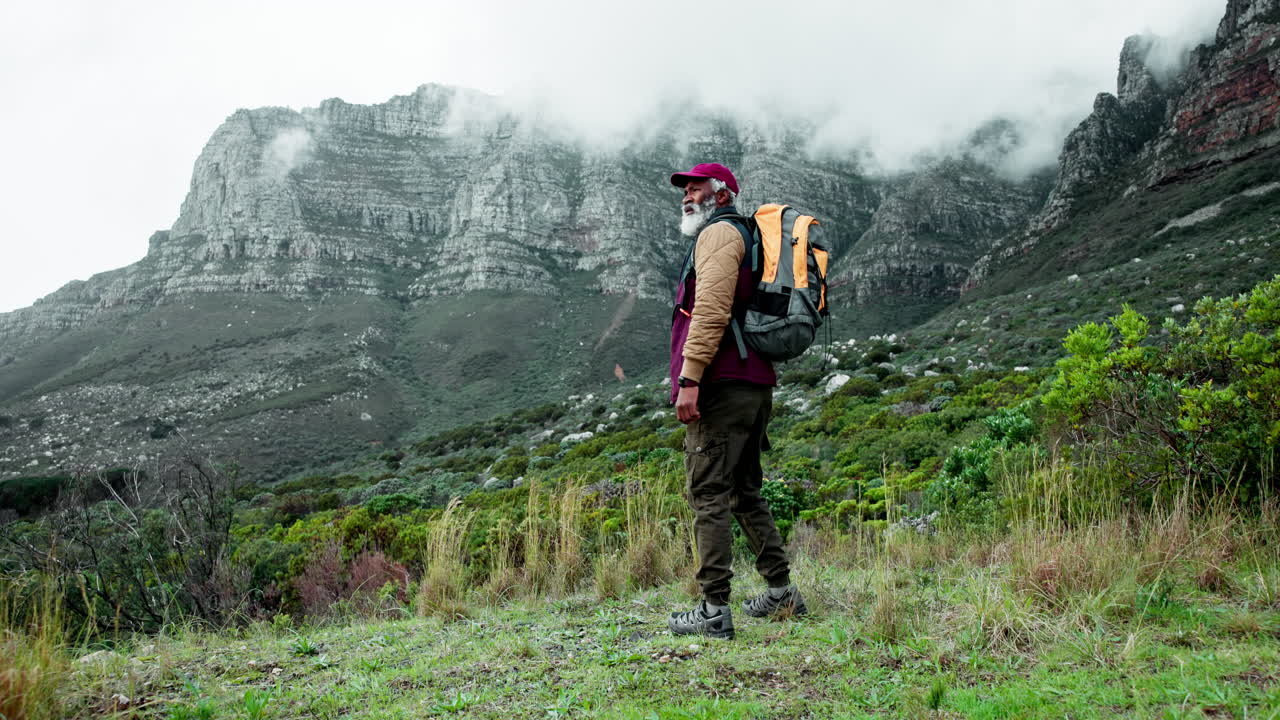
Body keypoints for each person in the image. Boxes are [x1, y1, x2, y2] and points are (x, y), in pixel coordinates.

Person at [666, 162, 806, 640]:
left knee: (708, 493)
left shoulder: (719, 235)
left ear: (721, 194)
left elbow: (710, 309)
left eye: (696, 186)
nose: (687, 195)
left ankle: (713, 609)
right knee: (745, 492)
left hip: (722, 385)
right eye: (684, 189)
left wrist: (690, 378)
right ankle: (781, 591)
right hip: (753, 382)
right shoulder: (742, 235)